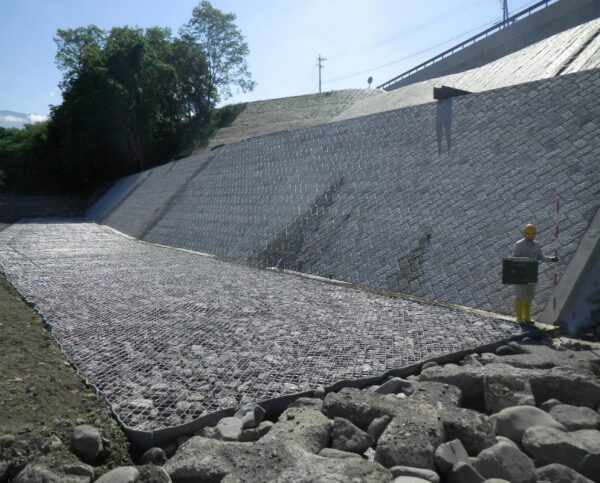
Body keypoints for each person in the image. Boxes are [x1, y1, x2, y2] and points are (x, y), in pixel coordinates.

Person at [513, 223, 558, 323]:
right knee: (520, 295)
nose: (530, 235)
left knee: (529, 296)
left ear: (534, 234)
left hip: (532, 273)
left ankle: (527, 317)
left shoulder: (536, 245)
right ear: (524, 234)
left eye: (532, 233)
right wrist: (523, 262)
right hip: (520, 274)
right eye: (528, 233)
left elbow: (540, 257)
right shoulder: (519, 245)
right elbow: (514, 259)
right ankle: (519, 317)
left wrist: (551, 259)